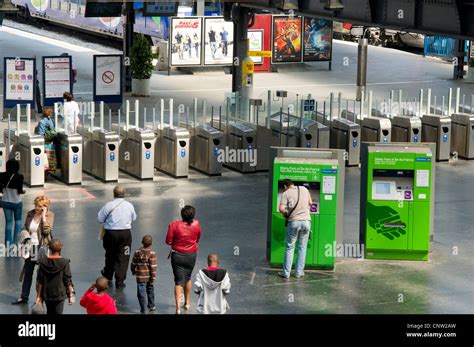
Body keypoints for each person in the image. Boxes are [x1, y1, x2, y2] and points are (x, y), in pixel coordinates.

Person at [12, 196, 54, 305]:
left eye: (39, 206)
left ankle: (39, 299)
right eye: (35, 205)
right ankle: (24, 297)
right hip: (30, 246)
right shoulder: (30, 213)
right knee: (28, 273)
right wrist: (25, 235)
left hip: (42, 247)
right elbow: (25, 227)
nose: (36, 207)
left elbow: (46, 231)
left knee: (41, 275)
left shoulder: (50, 215)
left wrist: (44, 217)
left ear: (45, 207)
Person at [98, 185, 137, 290]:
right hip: (125, 234)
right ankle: (120, 281)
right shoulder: (129, 205)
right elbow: (134, 217)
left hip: (110, 234)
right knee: (123, 257)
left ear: (113, 194)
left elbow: (100, 219)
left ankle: (108, 275)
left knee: (110, 255)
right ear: (124, 194)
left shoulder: (108, 205)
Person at [166, 205, 201, 314]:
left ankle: (178, 309)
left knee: (178, 281)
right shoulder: (197, 224)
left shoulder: (174, 225)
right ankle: (187, 303)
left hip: (177, 256)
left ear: (182, 215)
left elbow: (168, 241)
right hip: (191, 255)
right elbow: (197, 239)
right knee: (188, 277)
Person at [278, 179, 313, 279]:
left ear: (285, 186)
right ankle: (298, 273)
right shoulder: (304, 189)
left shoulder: (285, 193)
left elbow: (281, 209)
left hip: (294, 222)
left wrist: (286, 212)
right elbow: (310, 203)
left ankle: (286, 273)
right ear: (293, 184)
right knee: (302, 247)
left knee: (290, 247)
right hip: (306, 222)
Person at [35, 239, 75, 315]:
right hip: (59, 294)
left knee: (49, 312)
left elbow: (40, 280)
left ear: (49, 248)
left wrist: (38, 296)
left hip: (47, 293)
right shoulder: (64, 262)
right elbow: (67, 280)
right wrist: (71, 293)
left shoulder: (43, 262)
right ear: (61, 248)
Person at [0, 159, 25, 245]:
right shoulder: (19, 176)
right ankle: (16, 243)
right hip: (16, 202)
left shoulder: (2, 175)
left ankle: (8, 244)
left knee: (8, 222)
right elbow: (20, 191)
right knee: (18, 221)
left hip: (5, 202)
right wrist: (23, 191)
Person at [131, 235, 157, 314]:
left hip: (140, 277)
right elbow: (153, 267)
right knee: (150, 291)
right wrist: (153, 278)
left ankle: (143, 309)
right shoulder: (152, 253)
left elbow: (133, 263)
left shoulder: (137, 252)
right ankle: (151, 306)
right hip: (149, 277)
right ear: (151, 243)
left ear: (142, 242)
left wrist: (133, 270)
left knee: (141, 293)